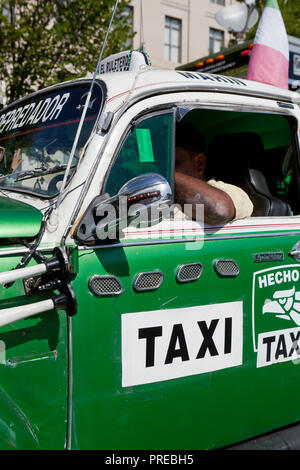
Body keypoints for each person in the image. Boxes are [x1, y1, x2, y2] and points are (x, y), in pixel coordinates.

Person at [174, 122, 253, 225]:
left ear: (199, 163)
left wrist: (166, 174)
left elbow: (220, 209)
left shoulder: (229, 191)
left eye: (175, 163)